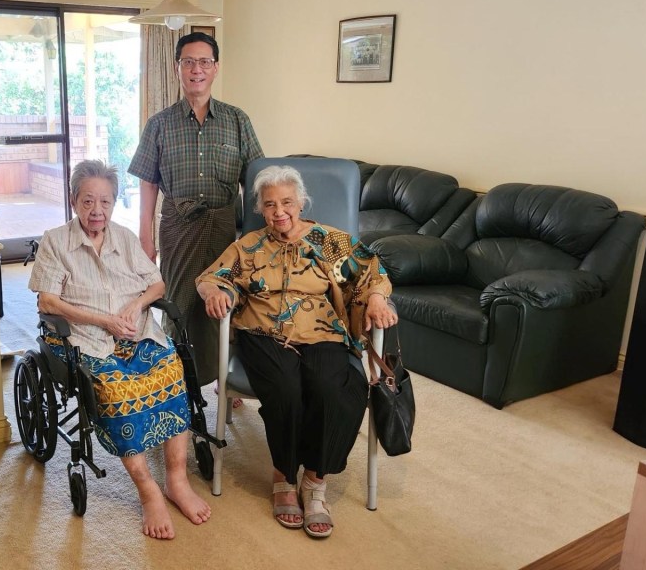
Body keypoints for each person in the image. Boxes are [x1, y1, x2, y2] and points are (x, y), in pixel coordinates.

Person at [194, 165, 397, 539]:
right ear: (260, 208)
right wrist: (215, 293)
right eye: (270, 204)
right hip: (263, 333)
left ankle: (315, 480)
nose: (279, 212)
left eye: (287, 202)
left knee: (335, 389)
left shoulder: (326, 242)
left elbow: (371, 275)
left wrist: (377, 300)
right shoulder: (250, 246)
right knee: (285, 389)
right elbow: (212, 277)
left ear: (301, 202)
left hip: (321, 332)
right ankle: (284, 476)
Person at [28, 160, 211, 540]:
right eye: (88, 201)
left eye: (105, 202)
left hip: (135, 332)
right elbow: (48, 301)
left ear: (113, 203)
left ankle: (176, 480)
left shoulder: (125, 238)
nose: (97, 210)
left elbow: (157, 285)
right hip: (84, 338)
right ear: (73, 201)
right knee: (119, 390)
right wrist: (104, 320)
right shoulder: (55, 241)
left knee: (171, 370)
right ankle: (148, 491)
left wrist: (137, 304)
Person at [128, 31, 264, 399]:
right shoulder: (159, 123)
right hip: (177, 226)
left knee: (224, 301)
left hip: (223, 227)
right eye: (188, 62)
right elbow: (148, 183)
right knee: (180, 303)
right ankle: (179, 382)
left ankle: (224, 377)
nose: (196, 69)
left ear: (215, 68)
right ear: (177, 68)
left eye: (204, 62)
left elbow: (255, 181)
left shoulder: (237, 120)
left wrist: (257, 240)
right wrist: (145, 237)